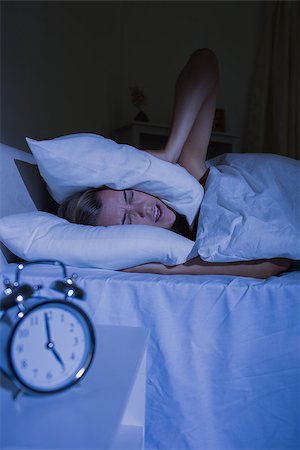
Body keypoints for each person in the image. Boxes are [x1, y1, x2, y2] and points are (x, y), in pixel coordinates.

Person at [58, 49, 290, 278]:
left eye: (130, 196)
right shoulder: (192, 245)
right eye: (128, 220)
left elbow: (205, 60)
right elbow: (275, 262)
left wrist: (170, 151)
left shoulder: (193, 172)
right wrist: (166, 268)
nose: (141, 209)